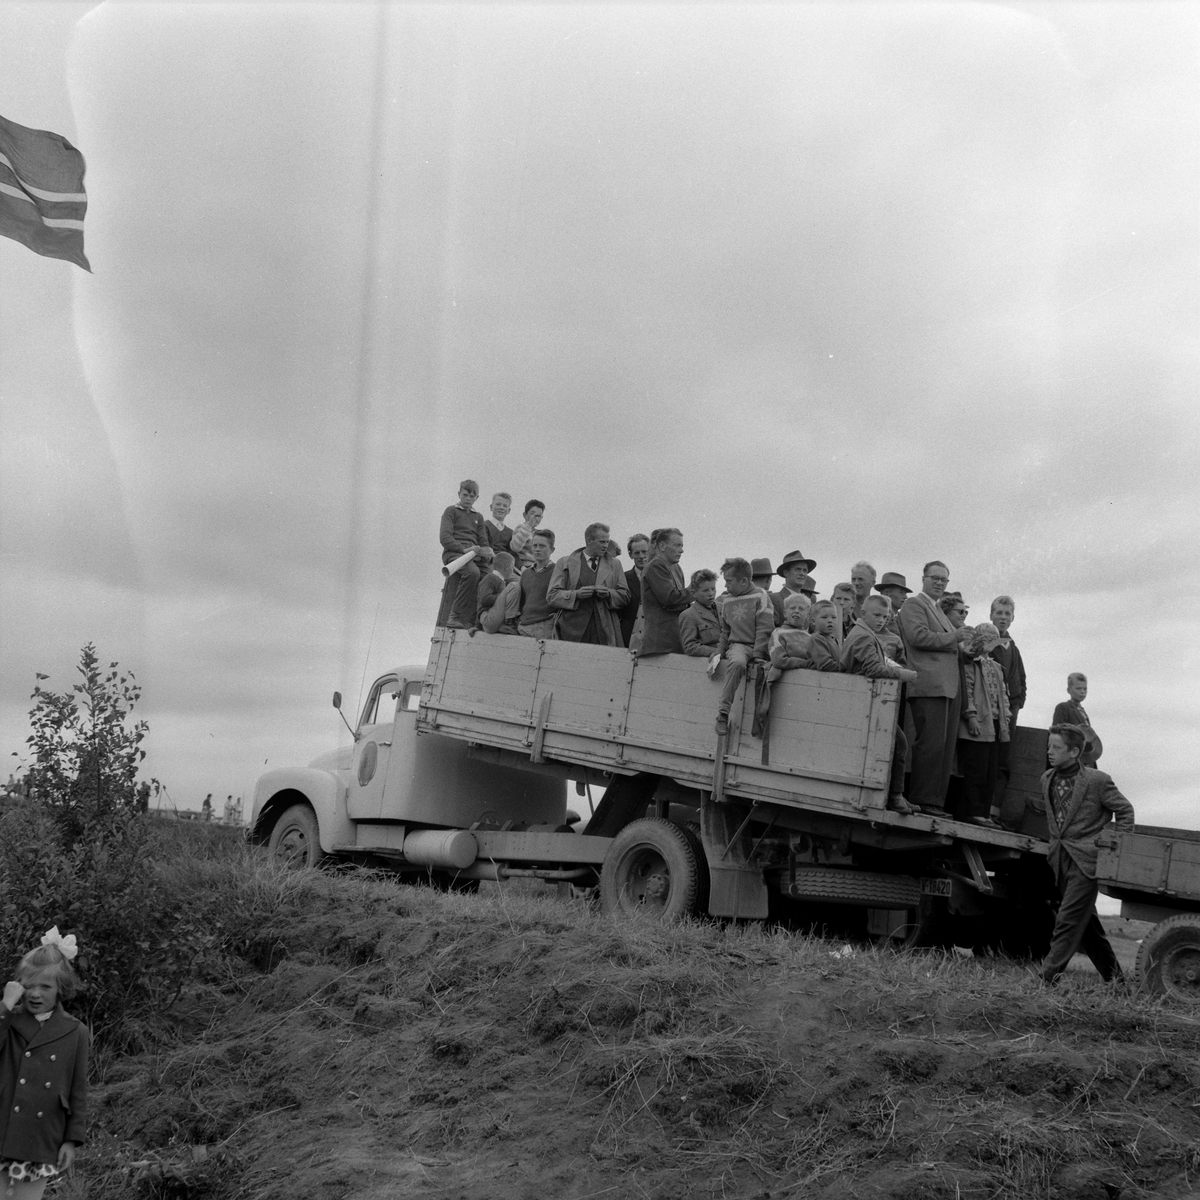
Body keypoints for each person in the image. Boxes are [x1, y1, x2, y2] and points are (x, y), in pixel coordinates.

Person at [1039, 725, 1134, 986]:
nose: (1050, 751)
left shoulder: (1097, 781)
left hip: (1088, 862)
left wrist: (1111, 846)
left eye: (1056, 747)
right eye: (1049, 746)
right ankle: (1117, 982)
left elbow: (1125, 811)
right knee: (1088, 928)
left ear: (1075, 751)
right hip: (1060, 859)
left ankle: (1046, 978)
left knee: (1067, 921)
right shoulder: (1046, 778)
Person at [1, 929, 88, 1200]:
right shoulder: (9, 1019)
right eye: (28, 985)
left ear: (61, 989)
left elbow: (78, 1090)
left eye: (45, 987)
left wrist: (71, 1140)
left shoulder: (75, 1031)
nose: (35, 994)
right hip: (3, 1123)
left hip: (40, 1134)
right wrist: (5, 1006)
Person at [898, 561, 972, 814]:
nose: (939, 583)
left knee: (943, 749)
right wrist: (955, 637)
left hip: (948, 686)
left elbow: (951, 646)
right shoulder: (914, 605)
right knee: (930, 745)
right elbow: (917, 636)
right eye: (935, 578)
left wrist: (973, 648)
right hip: (929, 685)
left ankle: (935, 801)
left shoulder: (938, 609)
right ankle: (924, 799)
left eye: (944, 580)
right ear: (923, 578)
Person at [840, 595, 919, 814]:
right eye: (876, 615)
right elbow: (873, 669)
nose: (881, 621)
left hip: (866, 702)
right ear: (863, 614)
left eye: (885, 617)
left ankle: (894, 795)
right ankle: (895, 796)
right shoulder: (864, 637)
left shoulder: (862, 634)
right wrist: (902, 674)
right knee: (899, 743)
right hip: (865, 703)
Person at [956, 623, 1010, 827]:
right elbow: (967, 691)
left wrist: (1006, 718)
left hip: (995, 724)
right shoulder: (971, 664)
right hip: (979, 722)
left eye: (992, 640)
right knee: (976, 769)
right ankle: (973, 811)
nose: (989, 645)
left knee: (990, 769)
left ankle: (984, 812)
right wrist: (971, 716)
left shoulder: (996, 667)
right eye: (985, 640)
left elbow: (1003, 694)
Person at [712, 558, 774, 734]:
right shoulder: (727, 601)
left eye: (729, 581)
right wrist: (719, 651)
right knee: (737, 663)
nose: (726, 585)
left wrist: (758, 654)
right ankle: (723, 713)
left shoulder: (761, 595)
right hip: (738, 644)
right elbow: (725, 632)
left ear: (744, 581)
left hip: (757, 646)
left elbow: (764, 628)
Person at [547, 523, 629, 646]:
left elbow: (625, 596)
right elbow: (552, 596)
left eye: (607, 542)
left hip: (603, 630)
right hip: (570, 631)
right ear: (589, 540)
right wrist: (576, 595)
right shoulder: (565, 562)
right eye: (602, 542)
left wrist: (608, 594)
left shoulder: (615, 564)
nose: (606, 546)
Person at [988, 594, 1027, 810]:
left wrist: (1017, 703)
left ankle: (995, 809)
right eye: (999, 613)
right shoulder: (986, 641)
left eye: (1007, 614)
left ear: (1012, 618)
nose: (1003, 617)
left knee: (1003, 759)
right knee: (987, 758)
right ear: (991, 615)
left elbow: (1021, 678)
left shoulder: (1013, 648)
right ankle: (981, 808)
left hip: (1009, 712)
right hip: (990, 709)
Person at [439, 480, 491, 628]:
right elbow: (445, 538)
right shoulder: (451, 511)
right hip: (454, 554)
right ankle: (453, 616)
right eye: (465, 495)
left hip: (473, 555)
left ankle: (475, 619)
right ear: (459, 494)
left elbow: (483, 540)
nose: (468, 498)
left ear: (477, 498)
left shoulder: (478, 517)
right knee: (472, 572)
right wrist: (463, 549)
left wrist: (486, 552)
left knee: (490, 577)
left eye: (472, 496)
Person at [639, 528, 691, 656]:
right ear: (662, 546)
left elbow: (682, 600)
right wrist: (695, 590)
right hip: (660, 644)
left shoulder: (676, 568)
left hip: (675, 640)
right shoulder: (655, 566)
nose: (682, 550)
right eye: (677, 545)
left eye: (682, 546)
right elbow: (670, 599)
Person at [1053, 673, 1102, 768]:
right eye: (1078, 688)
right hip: (1072, 760)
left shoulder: (1083, 712)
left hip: (1085, 760)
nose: (1082, 692)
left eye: (1085, 689)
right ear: (1069, 690)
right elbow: (1057, 735)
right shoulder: (1063, 707)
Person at [517, 530, 558, 639]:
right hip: (523, 627)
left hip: (545, 627)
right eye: (534, 545)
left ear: (552, 550)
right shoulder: (525, 574)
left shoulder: (558, 573)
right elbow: (521, 602)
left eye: (542, 546)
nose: (537, 549)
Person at [618, 534, 652, 651]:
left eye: (644, 552)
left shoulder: (662, 578)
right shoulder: (622, 578)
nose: (641, 556)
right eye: (637, 553)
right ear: (630, 554)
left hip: (654, 640)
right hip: (627, 641)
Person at [769, 550, 818, 627]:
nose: (802, 573)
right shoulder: (774, 599)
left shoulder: (809, 603)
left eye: (805, 570)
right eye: (798, 569)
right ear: (786, 573)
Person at [679, 569, 721, 656]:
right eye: (705, 590)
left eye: (713, 589)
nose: (711, 593)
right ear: (694, 593)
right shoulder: (688, 615)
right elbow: (690, 647)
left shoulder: (724, 608)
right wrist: (716, 652)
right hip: (707, 663)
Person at [477, 552, 521, 634]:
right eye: (512, 567)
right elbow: (484, 599)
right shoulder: (490, 578)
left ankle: (507, 624)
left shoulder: (500, 580)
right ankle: (509, 623)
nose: (513, 571)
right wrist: (503, 596)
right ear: (507, 567)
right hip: (488, 618)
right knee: (514, 586)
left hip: (492, 618)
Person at [807, 602, 844, 672]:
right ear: (814, 621)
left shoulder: (834, 639)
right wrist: (845, 669)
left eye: (834, 617)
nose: (830, 621)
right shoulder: (816, 639)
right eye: (824, 617)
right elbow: (825, 664)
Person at [509, 499, 546, 570]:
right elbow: (515, 547)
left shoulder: (538, 533)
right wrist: (529, 525)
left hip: (538, 566)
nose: (535, 518)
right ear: (525, 515)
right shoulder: (520, 528)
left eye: (539, 515)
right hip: (525, 566)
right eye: (532, 514)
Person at [874, 572, 911, 637]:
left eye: (905, 593)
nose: (905, 597)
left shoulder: (904, 618)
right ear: (886, 593)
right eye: (901, 592)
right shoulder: (876, 619)